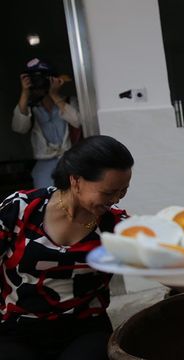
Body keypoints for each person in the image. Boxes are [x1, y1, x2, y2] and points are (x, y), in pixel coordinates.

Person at [0, 135, 134, 360]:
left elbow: (157, 262)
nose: (116, 199)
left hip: (84, 329)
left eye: (123, 191)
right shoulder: (22, 208)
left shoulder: (117, 225)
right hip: (17, 327)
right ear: (76, 181)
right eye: (109, 192)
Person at [12, 58, 81, 189]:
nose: (39, 84)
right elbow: (19, 128)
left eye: (43, 79)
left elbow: (77, 122)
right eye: (34, 80)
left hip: (70, 161)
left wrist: (54, 94)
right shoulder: (30, 107)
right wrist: (25, 93)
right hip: (44, 165)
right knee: (46, 203)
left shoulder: (69, 102)